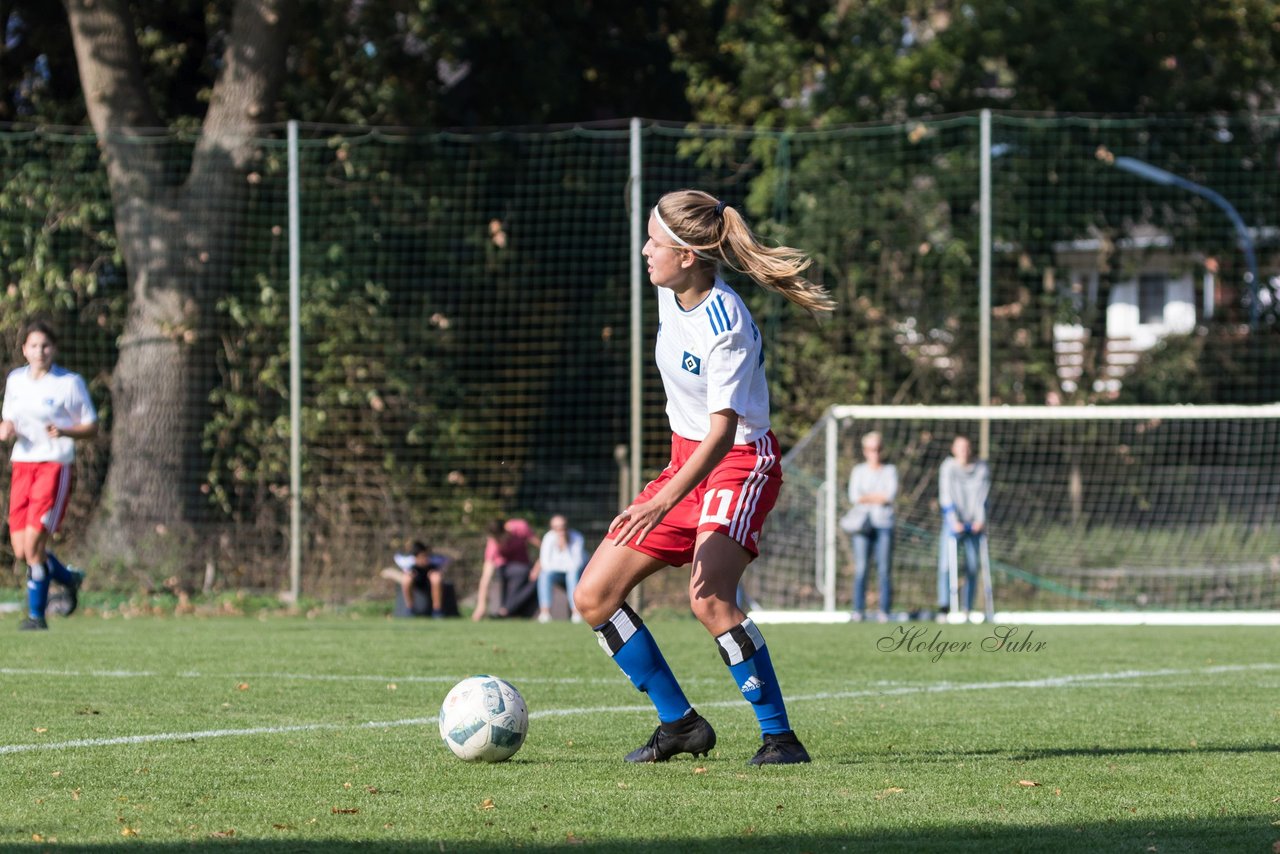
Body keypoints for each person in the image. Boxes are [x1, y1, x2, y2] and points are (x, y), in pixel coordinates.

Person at [573, 189, 835, 766]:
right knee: (593, 597)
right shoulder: (671, 292)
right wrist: (670, 489)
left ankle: (781, 740)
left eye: (655, 242)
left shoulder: (727, 322)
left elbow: (722, 434)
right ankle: (681, 725)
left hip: (740, 463)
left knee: (709, 599)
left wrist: (662, 500)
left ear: (688, 256)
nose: (644, 250)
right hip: (685, 463)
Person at [1, 320, 96, 631]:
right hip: (23, 465)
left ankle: (36, 616)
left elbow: (91, 425)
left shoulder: (69, 383)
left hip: (54, 466)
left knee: (33, 548)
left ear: (53, 349)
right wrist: (7, 428)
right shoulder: (16, 380)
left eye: (45, 345)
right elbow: (9, 418)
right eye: (34, 346)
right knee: (21, 550)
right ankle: (69, 578)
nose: (40, 351)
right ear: (24, 350)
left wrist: (66, 430)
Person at [841, 431, 897, 622]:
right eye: (872, 449)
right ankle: (858, 610)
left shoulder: (890, 471)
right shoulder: (858, 471)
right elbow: (855, 497)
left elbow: (889, 496)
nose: (876, 453)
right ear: (865, 451)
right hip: (862, 525)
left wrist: (868, 497)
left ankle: (884, 610)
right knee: (862, 568)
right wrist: (877, 497)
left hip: (884, 524)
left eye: (879, 449)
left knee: (884, 569)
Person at [937, 435, 991, 617]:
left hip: (974, 523)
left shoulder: (981, 468)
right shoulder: (948, 467)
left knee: (973, 566)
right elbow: (946, 495)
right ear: (953, 449)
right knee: (946, 564)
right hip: (954, 523)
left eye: (966, 447)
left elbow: (983, 497)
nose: (964, 451)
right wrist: (953, 521)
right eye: (960, 447)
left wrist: (980, 521)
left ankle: (968, 607)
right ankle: (944, 607)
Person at [471, 517, 540, 621]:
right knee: (519, 572)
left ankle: (506, 610)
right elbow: (486, 578)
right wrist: (481, 605)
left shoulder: (520, 527)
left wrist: (537, 567)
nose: (498, 543)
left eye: (499, 539)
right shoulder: (493, 545)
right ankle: (506, 610)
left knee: (534, 578)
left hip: (524, 565)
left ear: (506, 531)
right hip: (505, 568)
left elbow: (544, 547)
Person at [535, 514, 586, 623]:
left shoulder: (577, 538)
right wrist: (563, 566)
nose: (560, 530)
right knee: (544, 575)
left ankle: (576, 613)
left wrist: (564, 546)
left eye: (562, 527)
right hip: (556, 574)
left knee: (572, 574)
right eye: (556, 528)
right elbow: (545, 564)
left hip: (575, 574)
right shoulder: (548, 538)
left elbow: (576, 564)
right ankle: (545, 612)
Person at [392, 539, 455, 617]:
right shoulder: (408, 562)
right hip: (416, 581)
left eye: (426, 556)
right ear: (415, 557)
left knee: (436, 577)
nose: (424, 559)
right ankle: (410, 609)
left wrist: (440, 571)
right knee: (406, 579)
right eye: (421, 557)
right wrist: (408, 572)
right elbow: (397, 558)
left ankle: (437, 610)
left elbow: (450, 560)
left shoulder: (434, 561)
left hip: (429, 581)